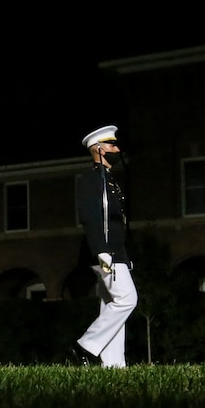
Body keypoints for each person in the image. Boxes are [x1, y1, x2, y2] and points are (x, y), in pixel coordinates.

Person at [72, 125, 136, 368]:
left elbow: (118, 222)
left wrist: (124, 254)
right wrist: (101, 250)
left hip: (116, 251)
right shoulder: (91, 179)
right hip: (104, 252)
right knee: (127, 299)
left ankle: (114, 364)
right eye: (112, 145)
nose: (117, 149)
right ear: (99, 149)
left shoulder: (110, 180)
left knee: (110, 304)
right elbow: (90, 216)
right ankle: (85, 347)